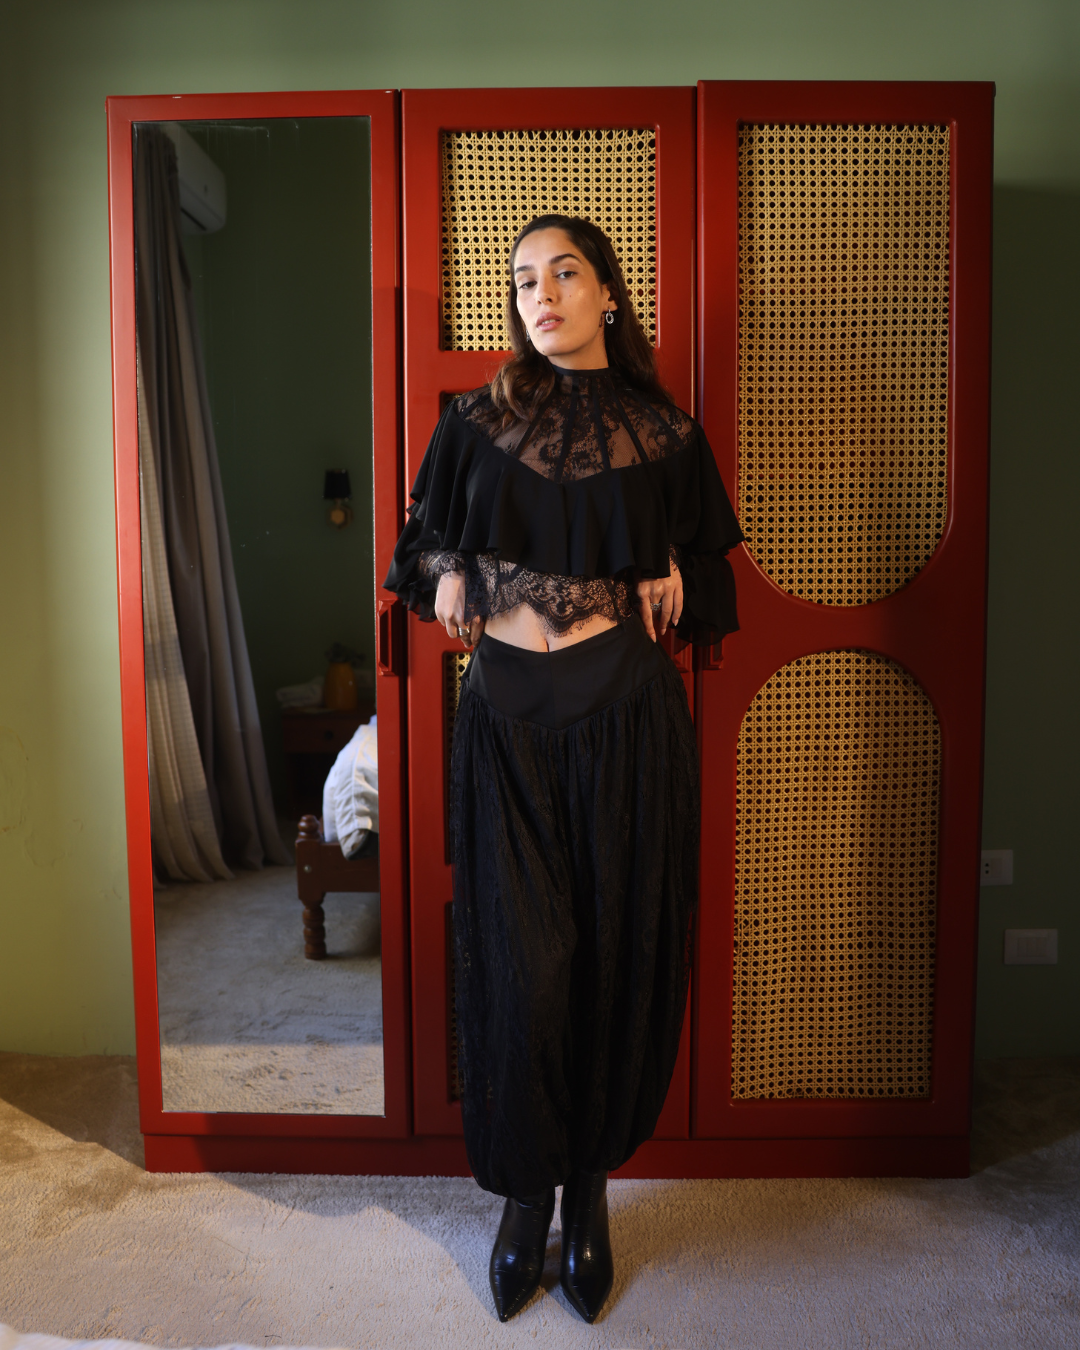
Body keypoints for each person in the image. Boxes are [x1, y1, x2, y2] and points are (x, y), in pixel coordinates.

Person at [384, 214, 742, 1323]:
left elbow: (709, 583)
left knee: (611, 960)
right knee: (522, 966)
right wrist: (447, 563)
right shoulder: (473, 423)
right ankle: (524, 1196)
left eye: (564, 275)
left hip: (625, 720)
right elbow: (416, 549)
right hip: (505, 723)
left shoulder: (667, 432)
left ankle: (587, 1193)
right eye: (524, 281)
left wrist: (672, 563)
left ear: (608, 296)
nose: (540, 296)